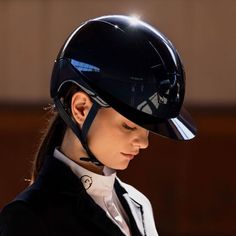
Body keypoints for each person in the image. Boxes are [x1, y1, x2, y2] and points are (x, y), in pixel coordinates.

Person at [0, 15, 196, 236]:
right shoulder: (28, 218)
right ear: (81, 108)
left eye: (148, 130)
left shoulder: (139, 205)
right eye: (129, 126)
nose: (144, 143)